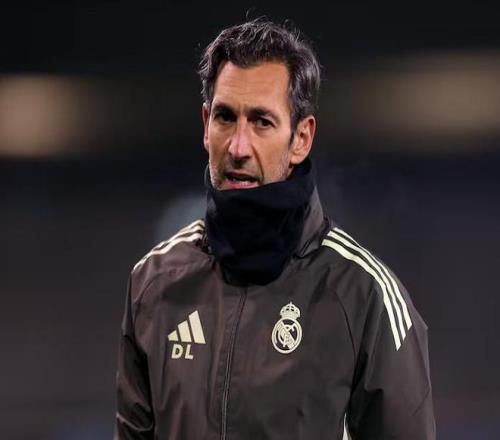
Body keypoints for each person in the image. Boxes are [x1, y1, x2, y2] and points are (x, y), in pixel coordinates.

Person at [115, 19, 436, 440]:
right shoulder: (154, 283)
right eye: (225, 118)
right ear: (206, 125)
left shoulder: (364, 296)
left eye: (261, 122)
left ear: (301, 138)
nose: (238, 147)